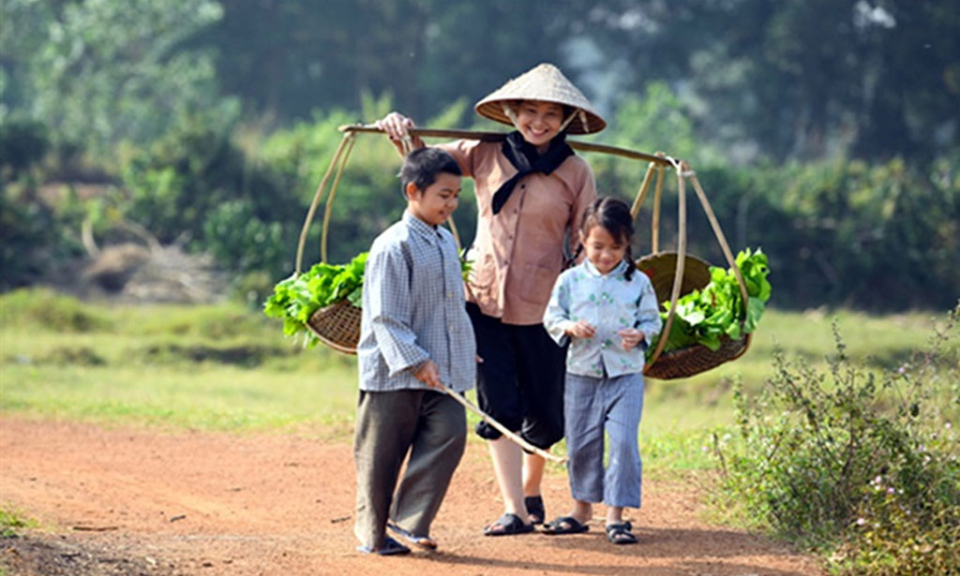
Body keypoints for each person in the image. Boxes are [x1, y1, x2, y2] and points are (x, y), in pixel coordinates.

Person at [377, 63, 605, 536]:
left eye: (549, 115)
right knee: (497, 402)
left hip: (546, 308)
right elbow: (426, 163)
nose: (537, 123)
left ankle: (532, 487)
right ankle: (515, 509)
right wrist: (400, 129)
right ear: (512, 112)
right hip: (482, 301)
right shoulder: (484, 153)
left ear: (564, 120)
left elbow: (587, 239)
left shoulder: (575, 171)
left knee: (545, 408)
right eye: (529, 112)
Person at [353, 147, 476, 555]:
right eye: (443, 194)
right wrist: (416, 360)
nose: (451, 204)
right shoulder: (393, 245)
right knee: (381, 459)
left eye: (456, 195)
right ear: (413, 191)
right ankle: (373, 536)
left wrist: (462, 350)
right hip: (393, 375)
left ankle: (408, 522)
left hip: (440, 373)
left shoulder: (444, 242)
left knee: (451, 434)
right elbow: (385, 318)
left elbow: (449, 307)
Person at [541, 196, 663, 545]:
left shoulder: (638, 282)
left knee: (624, 442)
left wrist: (641, 333)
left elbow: (653, 321)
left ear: (627, 245)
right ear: (581, 238)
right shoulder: (570, 281)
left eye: (615, 247)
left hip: (625, 375)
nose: (606, 255)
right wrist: (569, 327)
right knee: (581, 443)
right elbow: (552, 316)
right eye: (597, 246)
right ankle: (581, 510)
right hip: (581, 372)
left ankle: (617, 516)